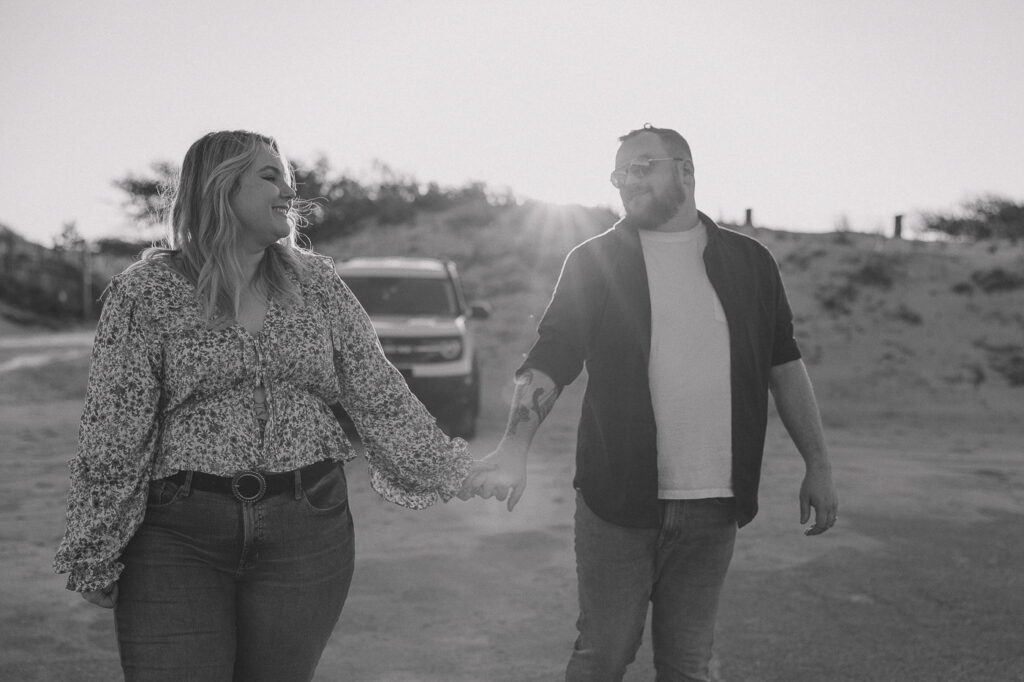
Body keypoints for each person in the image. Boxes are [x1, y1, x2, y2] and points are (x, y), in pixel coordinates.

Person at [53, 130, 484, 681]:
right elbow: (114, 427)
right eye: (269, 176)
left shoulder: (319, 285)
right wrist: (96, 543)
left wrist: (450, 469)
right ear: (218, 187)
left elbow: (377, 392)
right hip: (178, 532)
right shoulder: (146, 292)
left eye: (289, 178)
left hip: (308, 526)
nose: (289, 191)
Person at [468, 124, 839, 681]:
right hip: (617, 500)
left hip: (715, 503)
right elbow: (552, 357)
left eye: (642, 165)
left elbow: (783, 364)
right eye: (620, 173)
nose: (627, 181)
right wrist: (513, 447)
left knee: (688, 664)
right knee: (604, 655)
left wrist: (819, 464)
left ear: (686, 171)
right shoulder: (594, 260)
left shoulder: (750, 262)